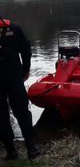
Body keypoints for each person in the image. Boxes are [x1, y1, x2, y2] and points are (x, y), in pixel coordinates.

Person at [0, 16, 41, 160]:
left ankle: (11, 151)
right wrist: (25, 70)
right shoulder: (14, 29)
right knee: (22, 111)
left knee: (1, 115)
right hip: (14, 77)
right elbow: (26, 50)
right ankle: (32, 148)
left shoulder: (15, 28)